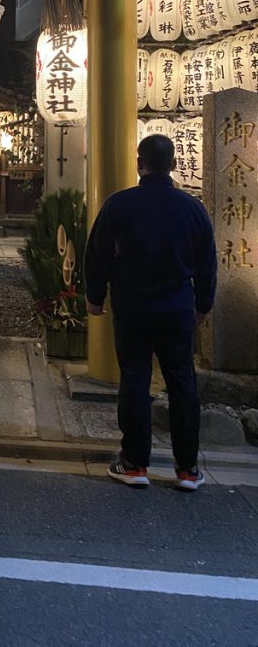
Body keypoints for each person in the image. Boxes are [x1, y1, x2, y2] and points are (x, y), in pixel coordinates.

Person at [84, 134, 217, 492]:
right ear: (174, 165)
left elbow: (97, 255)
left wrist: (94, 297)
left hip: (132, 306)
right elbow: (206, 263)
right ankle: (187, 469)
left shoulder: (119, 205)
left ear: (139, 163)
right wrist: (203, 305)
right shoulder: (192, 209)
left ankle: (135, 463)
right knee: (182, 384)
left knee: (135, 381)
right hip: (177, 308)